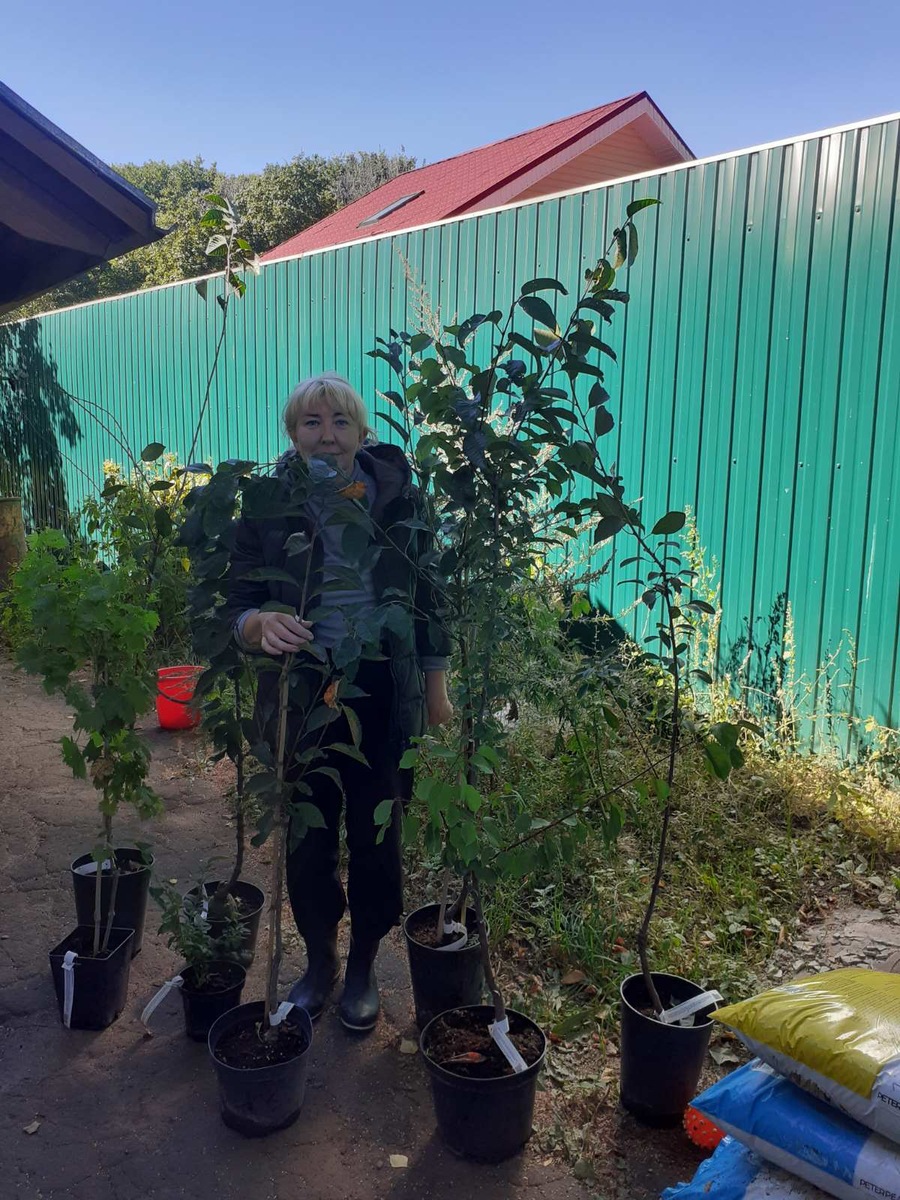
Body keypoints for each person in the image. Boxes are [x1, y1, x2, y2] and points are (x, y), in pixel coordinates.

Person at [226, 372, 452, 1032]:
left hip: (381, 686)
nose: (326, 435)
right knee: (309, 834)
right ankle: (320, 962)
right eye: (311, 422)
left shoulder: (398, 496)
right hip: (301, 690)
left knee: (378, 832)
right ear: (292, 434)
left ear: (361, 431)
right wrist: (254, 625)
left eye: (340, 421)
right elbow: (235, 599)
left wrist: (436, 689)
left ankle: (363, 967)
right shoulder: (267, 503)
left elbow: (428, 595)